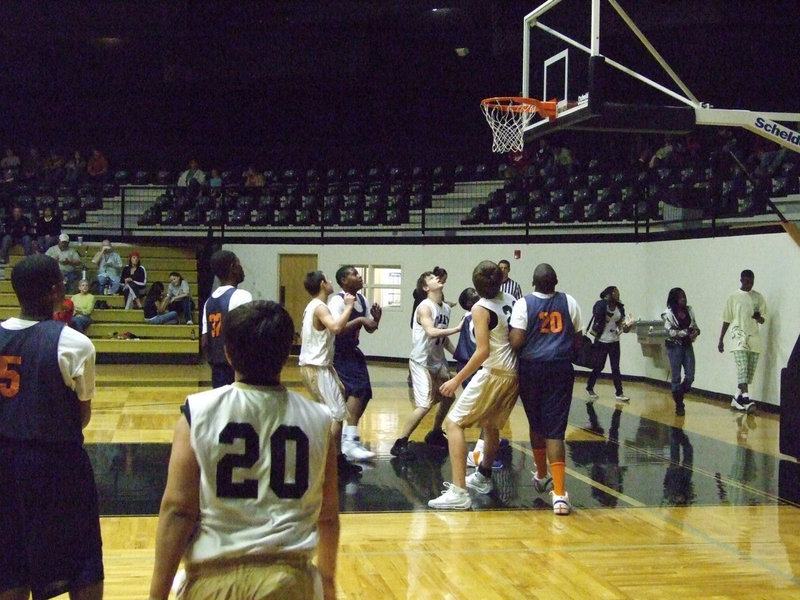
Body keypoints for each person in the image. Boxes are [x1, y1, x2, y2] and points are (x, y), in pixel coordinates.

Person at [148, 301, 339, 600]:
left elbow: (178, 511)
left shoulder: (197, 412)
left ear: (227, 353)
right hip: (290, 581)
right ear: (287, 355)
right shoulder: (320, 420)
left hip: (214, 580)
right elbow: (327, 516)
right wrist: (327, 583)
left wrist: (156, 595)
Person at [0, 254, 103, 600]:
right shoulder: (74, 342)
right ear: (57, 288)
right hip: (56, 462)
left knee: (10, 560)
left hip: (3, 461)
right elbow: (82, 415)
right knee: (82, 558)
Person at [428, 261, 518, 510]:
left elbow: (482, 352)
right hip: (513, 372)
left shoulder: (480, 308)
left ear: (476, 287)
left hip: (495, 371)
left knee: (453, 423)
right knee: (490, 425)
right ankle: (483, 476)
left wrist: (457, 379)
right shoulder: (510, 298)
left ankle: (459, 491)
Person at [510, 263, 582, 515]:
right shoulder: (570, 302)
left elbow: (517, 341)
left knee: (536, 424)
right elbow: (578, 339)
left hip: (531, 369)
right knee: (556, 430)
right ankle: (560, 495)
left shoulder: (523, 304)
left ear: (533, 282)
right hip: (560, 369)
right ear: (556, 281)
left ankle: (541, 474)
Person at [299, 270, 364, 478]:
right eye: (327, 280)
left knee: (337, 405)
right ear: (321, 284)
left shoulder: (315, 307)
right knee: (336, 413)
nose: (330, 283)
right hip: (316, 367)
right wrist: (349, 307)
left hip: (321, 366)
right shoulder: (319, 307)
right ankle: (327, 462)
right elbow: (336, 327)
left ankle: (336, 459)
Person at [391, 270, 462, 458]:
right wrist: (457, 328)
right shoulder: (424, 307)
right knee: (424, 405)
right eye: (431, 278)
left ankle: (435, 433)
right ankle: (400, 442)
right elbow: (431, 332)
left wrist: (459, 355)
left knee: (448, 397)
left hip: (437, 360)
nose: (436, 278)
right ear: (425, 287)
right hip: (422, 361)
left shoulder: (445, 308)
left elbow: (443, 337)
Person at [328, 265, 381, 462]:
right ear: (343, 281)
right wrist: (360, 320)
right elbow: (337, 329)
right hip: (339, 353)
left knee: (364, 393)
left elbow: (370, 328)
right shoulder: (337, 300)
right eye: (354, 274)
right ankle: (348, 441)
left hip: (353, 351)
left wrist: (376, 320)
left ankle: (349, 438)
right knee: (357, 390)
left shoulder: (362, 299)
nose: (360, 277)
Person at [201, 250, 252, 388]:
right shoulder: (242, 296)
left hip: (217, 369)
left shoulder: (209, 302)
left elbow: (205, 342)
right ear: (232, 268)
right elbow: (247, 334)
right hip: (237, 368)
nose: (242, 268)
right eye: (239, 264)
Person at [718, 269, 766, 412]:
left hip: (753, 338)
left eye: (751, 282)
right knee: (742, 367)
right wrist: (721, 339)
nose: (749, 284)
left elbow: (763, 319)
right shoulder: (733, 297)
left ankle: (736, 397)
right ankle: (746, 398)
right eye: (746, 281)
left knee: (748, 372)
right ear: (741, 280)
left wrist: (758, 317)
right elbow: (727, 319)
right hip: (738, 337)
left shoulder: (758, 297)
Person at [585, 285, 633, 402]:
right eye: (616, 292)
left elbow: (622, 325)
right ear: (610, 294)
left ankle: (619, 392)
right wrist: (605, 303)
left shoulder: (620, 307)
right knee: (599, 366)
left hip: (614, 340)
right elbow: (596, 314)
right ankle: (589, 387)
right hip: (601, 340)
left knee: (615, 367)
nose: (618, 294)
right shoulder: (601, 305)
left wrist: (627, 325)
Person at [662, 287, 700, 416]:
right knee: (676, 376)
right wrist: (683, 333)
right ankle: (679, 404)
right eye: (680, 297)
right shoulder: (667, 313)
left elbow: (695, 326)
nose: (683, 299)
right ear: (674, 299)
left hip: (687, 345)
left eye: (684, 296)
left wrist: (695, 332)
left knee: (690, 375)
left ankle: (679, 393)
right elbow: (669, 331)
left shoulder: (689, 310)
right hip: (674, 346)